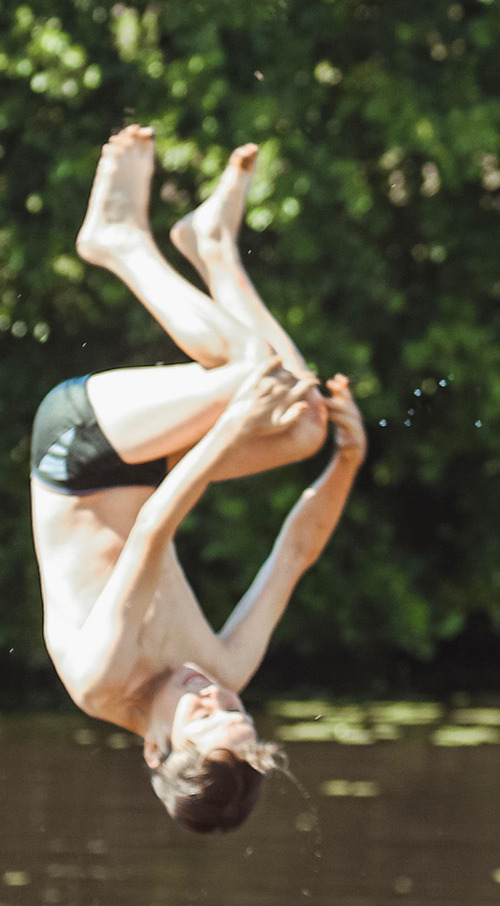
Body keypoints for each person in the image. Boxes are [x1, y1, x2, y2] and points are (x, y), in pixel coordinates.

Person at [29, 124, 364, 833]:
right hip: (150, 467)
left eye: (205, 717)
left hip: (76, 451)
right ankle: (212, 241)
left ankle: (120, 239)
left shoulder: (102, 676)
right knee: (304, 423)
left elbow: (152, 533)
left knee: (249, 373)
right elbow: (294, 554)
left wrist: (234, 429)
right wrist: (345, 462)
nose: (216, 694)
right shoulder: (227, 665)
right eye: (237, 712)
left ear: (156, 748)